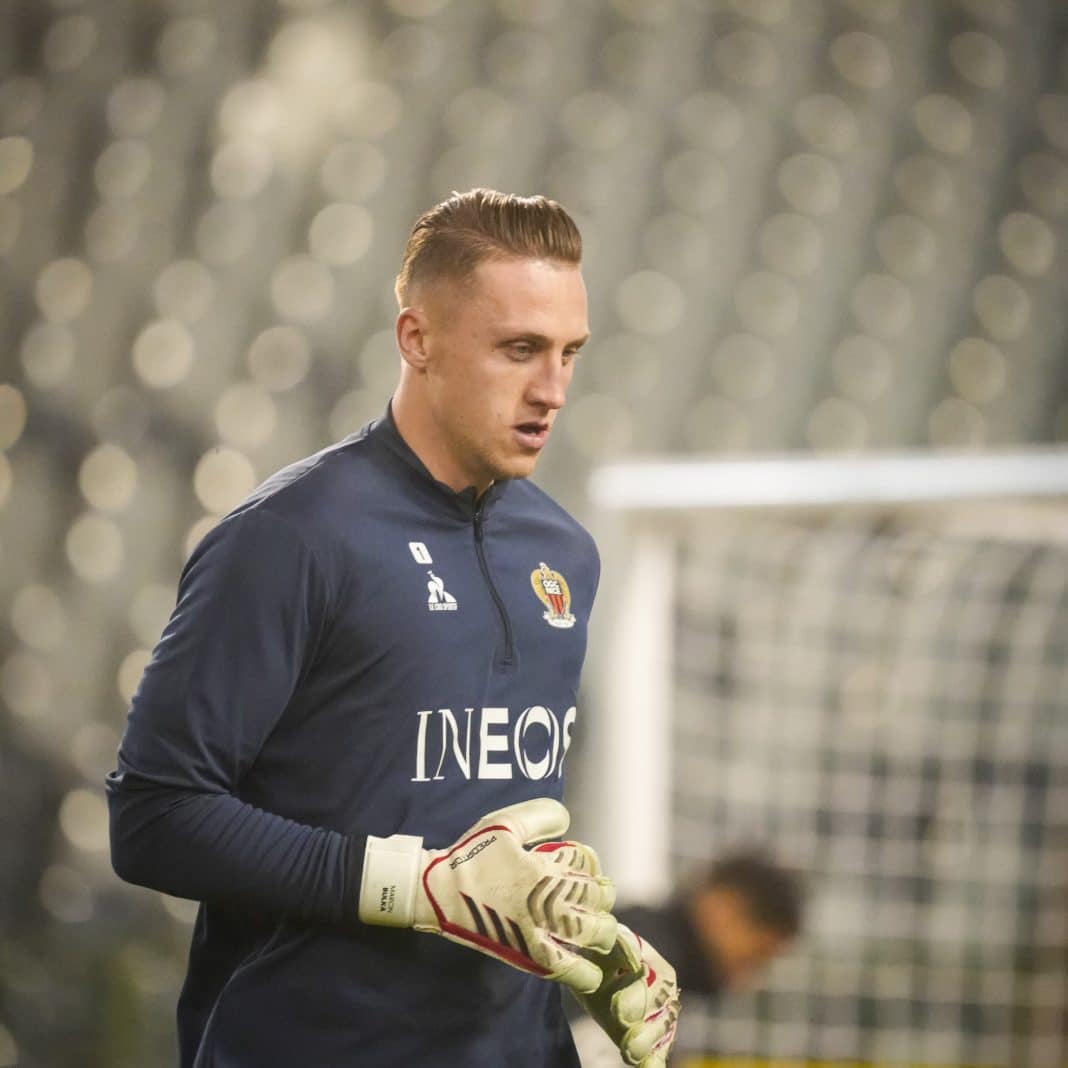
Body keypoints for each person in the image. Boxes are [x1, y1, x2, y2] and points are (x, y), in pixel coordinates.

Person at [107, 189, 679, 1067]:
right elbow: (154, 815)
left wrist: (594, 951)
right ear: (417, 339)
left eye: (569, 353)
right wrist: (413, 886)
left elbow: (487, 835)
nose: (553, 389)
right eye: (519, 349)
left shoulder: (564, 553)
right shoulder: (289, 539)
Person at [570, 849, 804, 1066]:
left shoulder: (636, 944)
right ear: (725, 906)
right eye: (754, 958)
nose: (745, 981)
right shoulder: (641, 967)